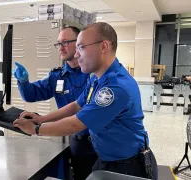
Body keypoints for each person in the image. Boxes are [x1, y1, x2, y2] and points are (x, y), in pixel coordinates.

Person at [13, 22, 158, 180]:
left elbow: (76, 124)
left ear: (103, 47)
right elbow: (76, 105)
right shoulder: (96, 78)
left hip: (125, 164)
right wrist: (42, 119)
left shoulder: (115, 87)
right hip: (104, 157)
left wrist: (36, 129)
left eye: (80, 47)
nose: (76, 54)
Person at [13, 26, 97, 180]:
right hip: (78, 141)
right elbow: (31, 95)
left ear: (79, 44)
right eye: (58, 43)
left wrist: (39, 126)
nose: (61, 47)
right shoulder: (57, 76)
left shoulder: (94, 74)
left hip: (99, 142)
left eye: (65, 42)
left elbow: (81, 110)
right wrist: (23, 81)